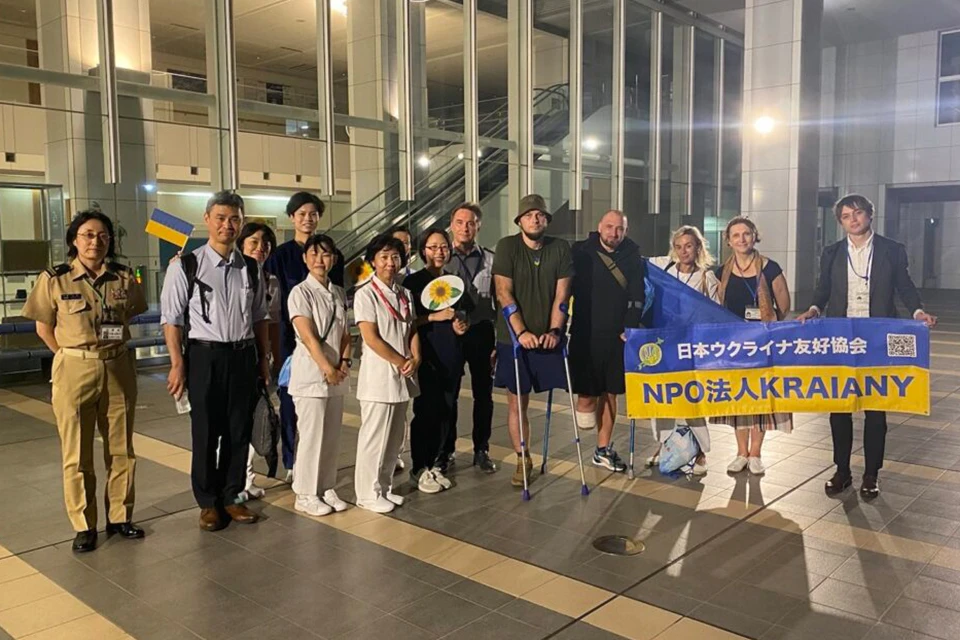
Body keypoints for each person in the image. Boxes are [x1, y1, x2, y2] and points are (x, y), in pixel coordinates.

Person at [23, 211, 148, 553]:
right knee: (76, 452)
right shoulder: (54, 279)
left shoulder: (123, 277)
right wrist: (67, 354)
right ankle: (84, 524)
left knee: (121, 447)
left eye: (103, 236)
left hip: (118, 365)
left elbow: (133, 311)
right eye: (88, 235)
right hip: (75, 367)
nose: (96, 242)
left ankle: (121, 516)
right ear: (74, 240)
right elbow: (43, 326)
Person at [797, 194, 937, 498]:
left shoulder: (891, 250)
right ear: (841, 222)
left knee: (875, 410)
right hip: (842, 335)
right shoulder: (832, 252)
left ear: (869, 215)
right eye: (846, 216)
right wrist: (813, 308)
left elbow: (905, 286)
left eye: (858, 213)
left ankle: (872, 474)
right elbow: (823, 289)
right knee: (839, 407)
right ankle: (842, 471)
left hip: (877, 337)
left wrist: (917, 312)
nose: (853, 220)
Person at [161, 191, 270, 531]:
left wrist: (264, 360)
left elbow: (260, 318)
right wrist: (178, 363)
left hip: (242, 356)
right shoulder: (186, 265)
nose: (228, 225)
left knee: (239, 430)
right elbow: (172, 319)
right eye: (221, 218)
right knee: (206, 432)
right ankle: (208, 502)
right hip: (204, 356)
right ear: (207, 219)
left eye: (235, 218)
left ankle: (232, 496)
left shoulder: (251, 267)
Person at [493, 194, 572, 487]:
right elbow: (504, 292)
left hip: (547, 336)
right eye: (528, 215)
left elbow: (562, 295)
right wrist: (521, 332)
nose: (534, 219)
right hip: (513, 339)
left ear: (546, 220)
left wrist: (554, 331)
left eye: (540, 215)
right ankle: (522, 456)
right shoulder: (507, 246)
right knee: (517, 403)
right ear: (520, 221)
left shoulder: (560, 248)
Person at [711, 217, 792, 476]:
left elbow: (784, 304)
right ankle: (740, 452)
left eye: (746, 234)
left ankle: (756, 453)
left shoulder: (770, 268)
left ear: (755, 236)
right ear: (728, 241)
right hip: (733, 346)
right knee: (738, 398)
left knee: (759, 398)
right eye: (736, 235)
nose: (742, 239)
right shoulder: (719, 271)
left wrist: (769, 327)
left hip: (762, 344)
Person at [569, 210, 646, 473]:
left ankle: (602, 449)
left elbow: (638, 293)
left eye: (620, 229)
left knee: (611, 391)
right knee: (587, 403)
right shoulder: (580, 252)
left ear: (626, 230)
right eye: (610, 227)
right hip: (584, 333)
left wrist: (631, 325)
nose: (614, 233)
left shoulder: (632, 255)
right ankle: (588, 414)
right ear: (599, 226)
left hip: (617, 335)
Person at [263, 192, 329, 483]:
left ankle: (318, 461)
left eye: (313, 214)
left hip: (322, 337)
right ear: (292, 218)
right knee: (289, 401)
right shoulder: (280, 256)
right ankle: (291, 460)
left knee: (321, 402)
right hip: (290, 341)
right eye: (302, 214)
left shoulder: (327, 251)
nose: (307, 219)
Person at [353, 234, 421, 512]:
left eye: (395, 257)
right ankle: (366, 494)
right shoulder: (365, 293)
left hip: (403, 373)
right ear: (372, 261)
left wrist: (416, 357)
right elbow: (371, 337)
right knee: (374, 436)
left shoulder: (405, 294)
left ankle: (384, 487)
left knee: (394, 436)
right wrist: (400, 360)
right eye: (383, 257)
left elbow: (412, 328)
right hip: (379, 375)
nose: (390, 263)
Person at [647, 225, 720, 474]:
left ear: (698, 247)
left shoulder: (706, 277)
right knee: (664, 398)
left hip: (693, 348)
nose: (683, 251)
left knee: (692, 400)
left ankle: (699, 452)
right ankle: (665, 445)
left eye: (688, 246)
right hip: (666, 345)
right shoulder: (664, 271)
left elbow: (716, 312)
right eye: (678, 247)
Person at [287, 234, 351, 515]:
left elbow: (346, 332)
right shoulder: (300, 292)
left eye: (325, 254)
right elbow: (308, 336)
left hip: (336, 374)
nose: (319, 260)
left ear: (333, 259)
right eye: (313, 254)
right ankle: (305, 493)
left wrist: (344, 363)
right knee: (311, 435)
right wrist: (327, 368)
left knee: (331, 435)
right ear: (304, 258)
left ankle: (326, 486)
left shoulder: (337, 292)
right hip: (312, 376)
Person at [406, 228, 470, 493]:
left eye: (443, 247)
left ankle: (441, 459)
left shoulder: (455, 282)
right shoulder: (412, 283)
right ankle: (420, 463)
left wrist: (460, 324)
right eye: (433, 247)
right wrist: (433, 317)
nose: (439, 252)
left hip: (451, 354)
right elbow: (407, 321)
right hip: (426, 354)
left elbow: (463, 312)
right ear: (423, 251)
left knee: (448, 407)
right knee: (425, 409)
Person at [444, 202, 498, 473]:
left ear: (479, 226)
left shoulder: (491, 259)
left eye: (471, 223)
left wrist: (498, 343)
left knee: (484, 395)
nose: (466, 227)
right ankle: (446, 450)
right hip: (451, 333)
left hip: (482, 333)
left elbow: (500, 302)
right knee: (448, 394)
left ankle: (481, 449)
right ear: (452, 225)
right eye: (460, 222)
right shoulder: (440, 259)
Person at [236, 222, 279, 500]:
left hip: (260, 358)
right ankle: (234, 482)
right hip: (235, 356)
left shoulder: (272, 281)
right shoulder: (233, 276)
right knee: (234, 422)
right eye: (253, 242)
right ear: (241, 245)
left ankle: (247, 477)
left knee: (256, 417)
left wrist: (269, 355)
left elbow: (271, 321)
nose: (259, 247)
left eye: (265, 243)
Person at [391, 226, 415, 473]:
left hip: (408, 356)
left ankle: (397, 453)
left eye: (406, 244)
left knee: (402, 410)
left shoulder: (411, 282)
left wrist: (414, 355)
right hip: (385, 360)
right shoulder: (370, 281)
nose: (402, 247)